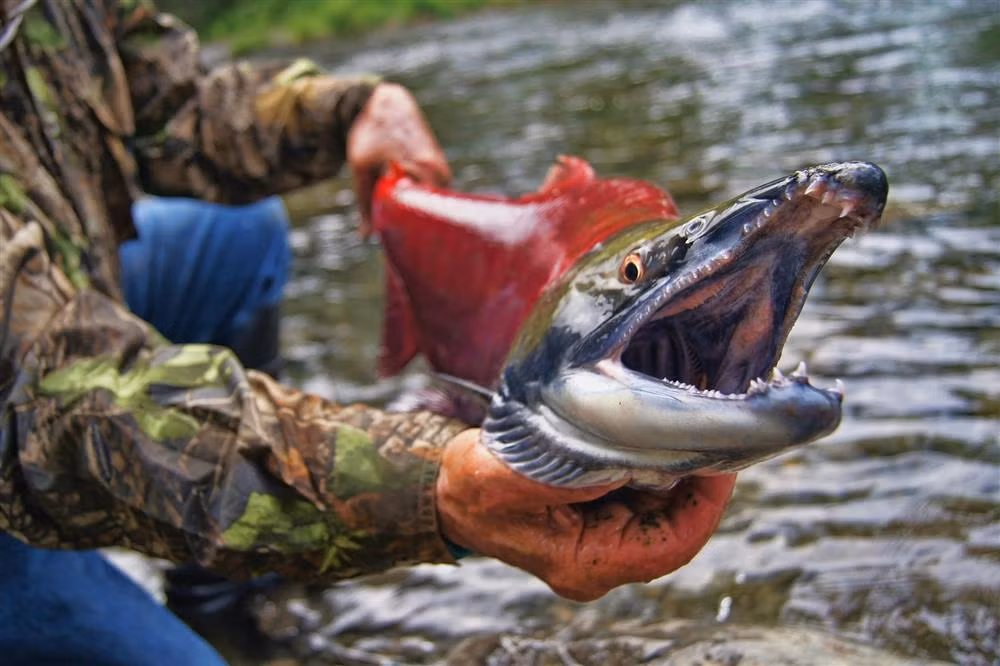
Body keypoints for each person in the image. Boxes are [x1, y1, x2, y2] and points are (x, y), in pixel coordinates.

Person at [0, 0, 737, 661]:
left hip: (57, 294)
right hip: (24, 400)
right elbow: (46, 395)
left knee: (237, 239)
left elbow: (173, 101)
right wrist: (428, 488)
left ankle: (219, 592)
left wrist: (349, 111)